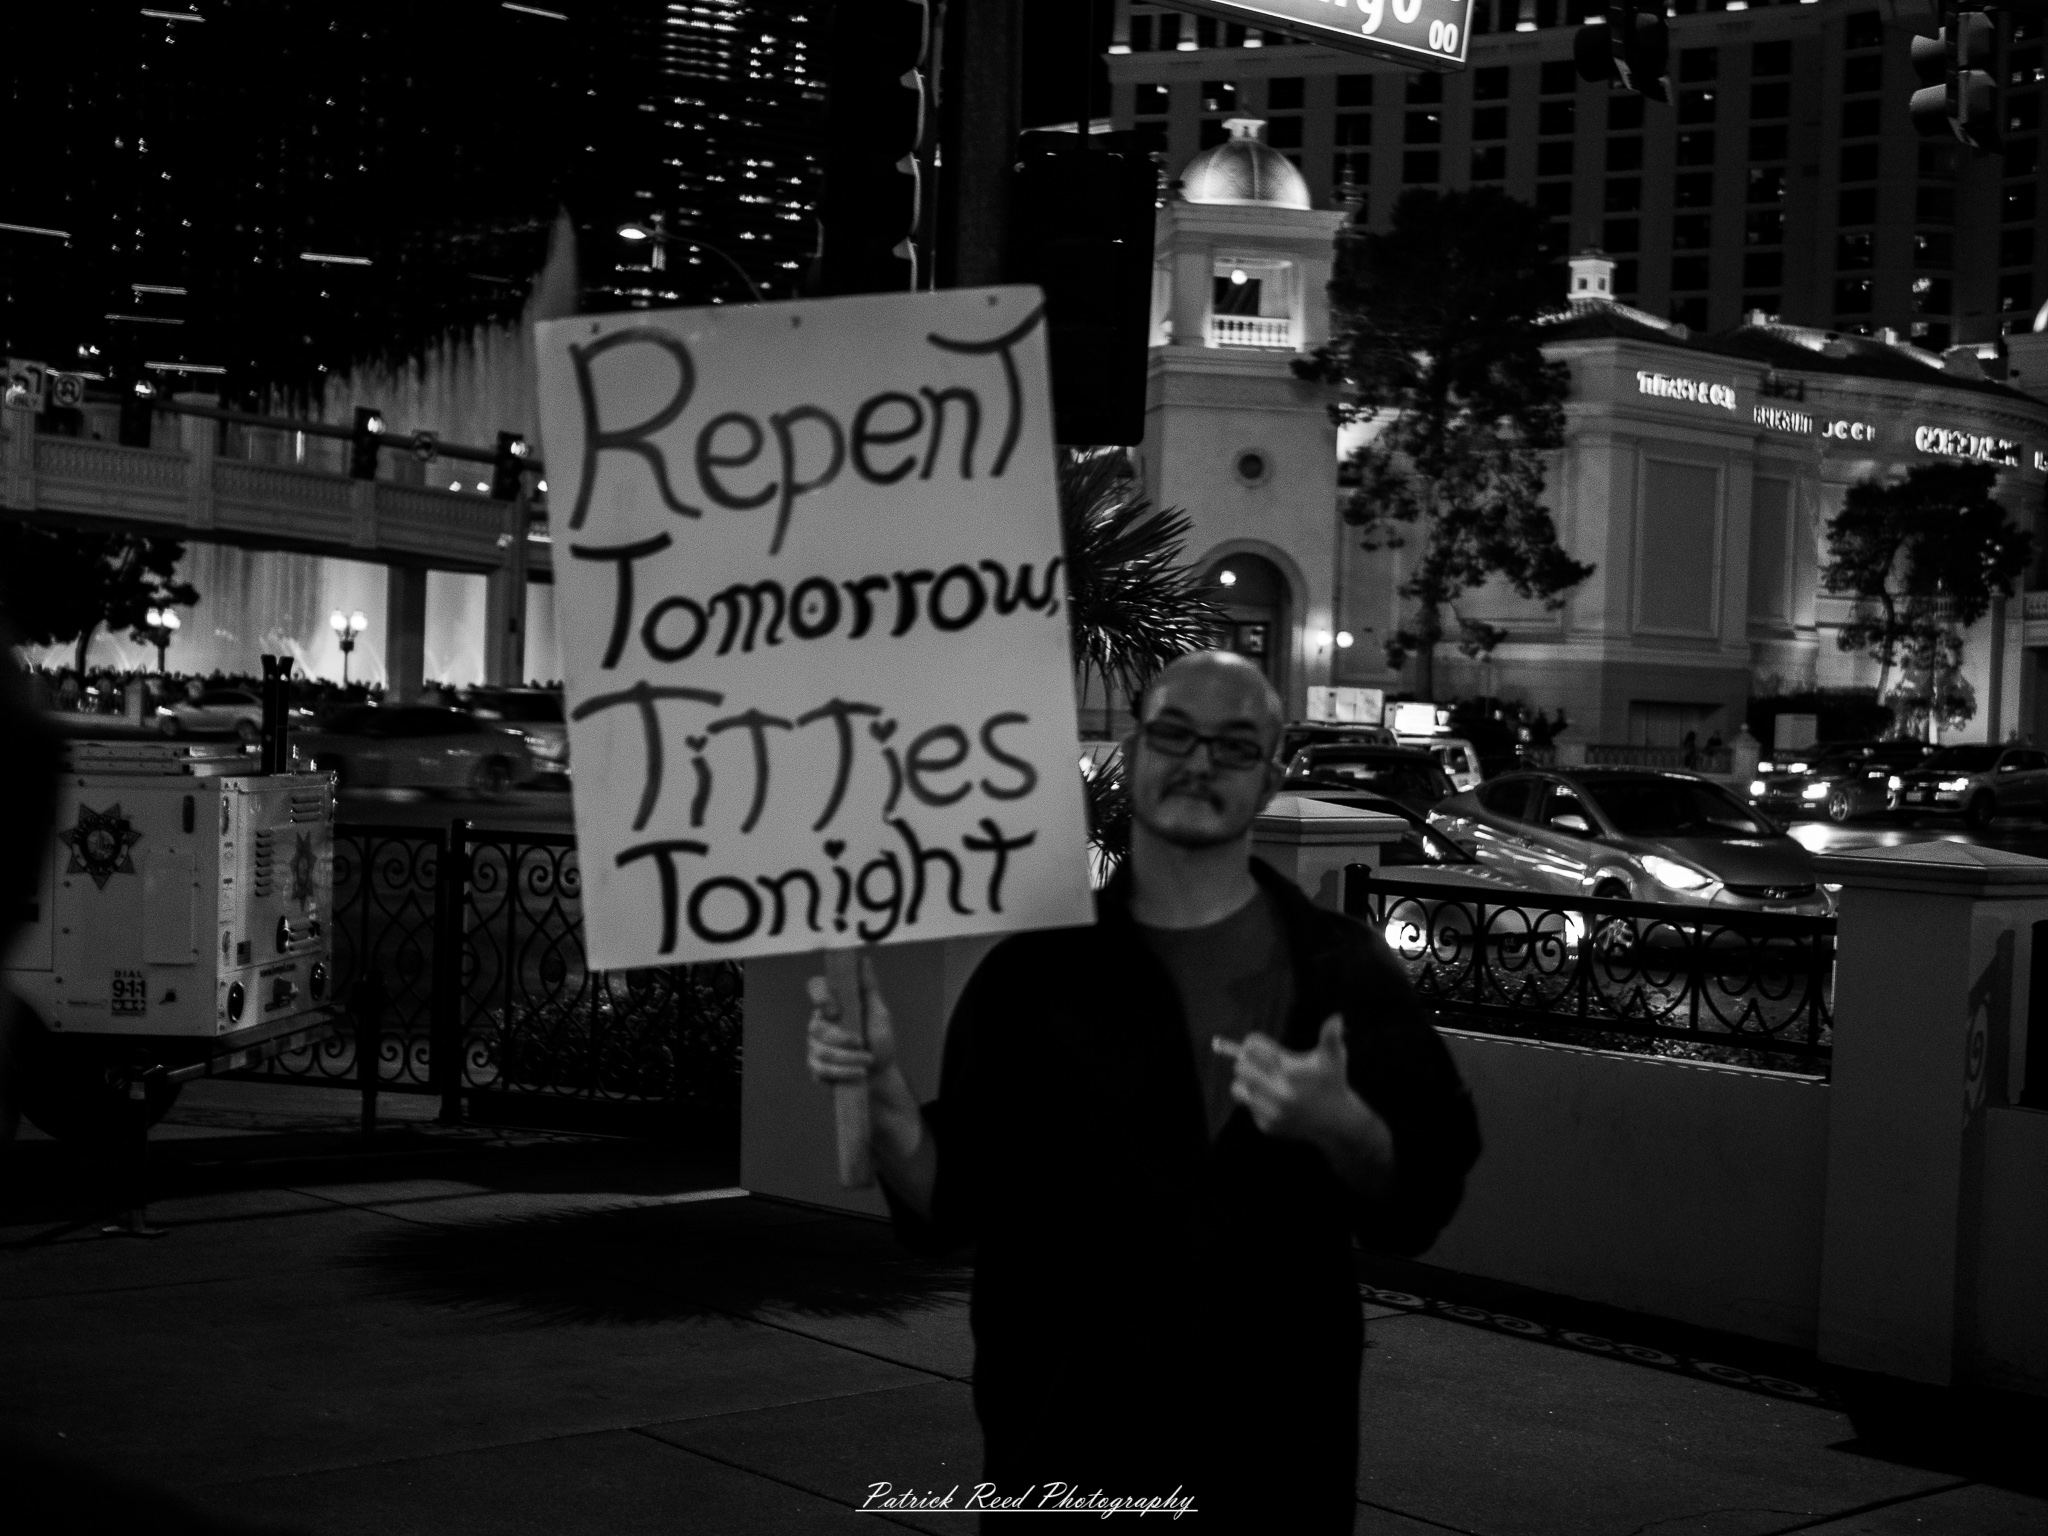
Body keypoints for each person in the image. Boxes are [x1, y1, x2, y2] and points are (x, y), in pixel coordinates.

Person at [808, 651, 1482, 1531]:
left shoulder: (1341, 973)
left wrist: (1346, 1126)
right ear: (1134, 749)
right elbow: (950, 1196)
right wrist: (885, 1090)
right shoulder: (1035, 974)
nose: (1199, 761)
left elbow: (1422, 1195)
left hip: (1275, 1469)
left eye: (1236, 746)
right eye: (1174, 733)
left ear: (1274, 775)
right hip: (1066, 1457)